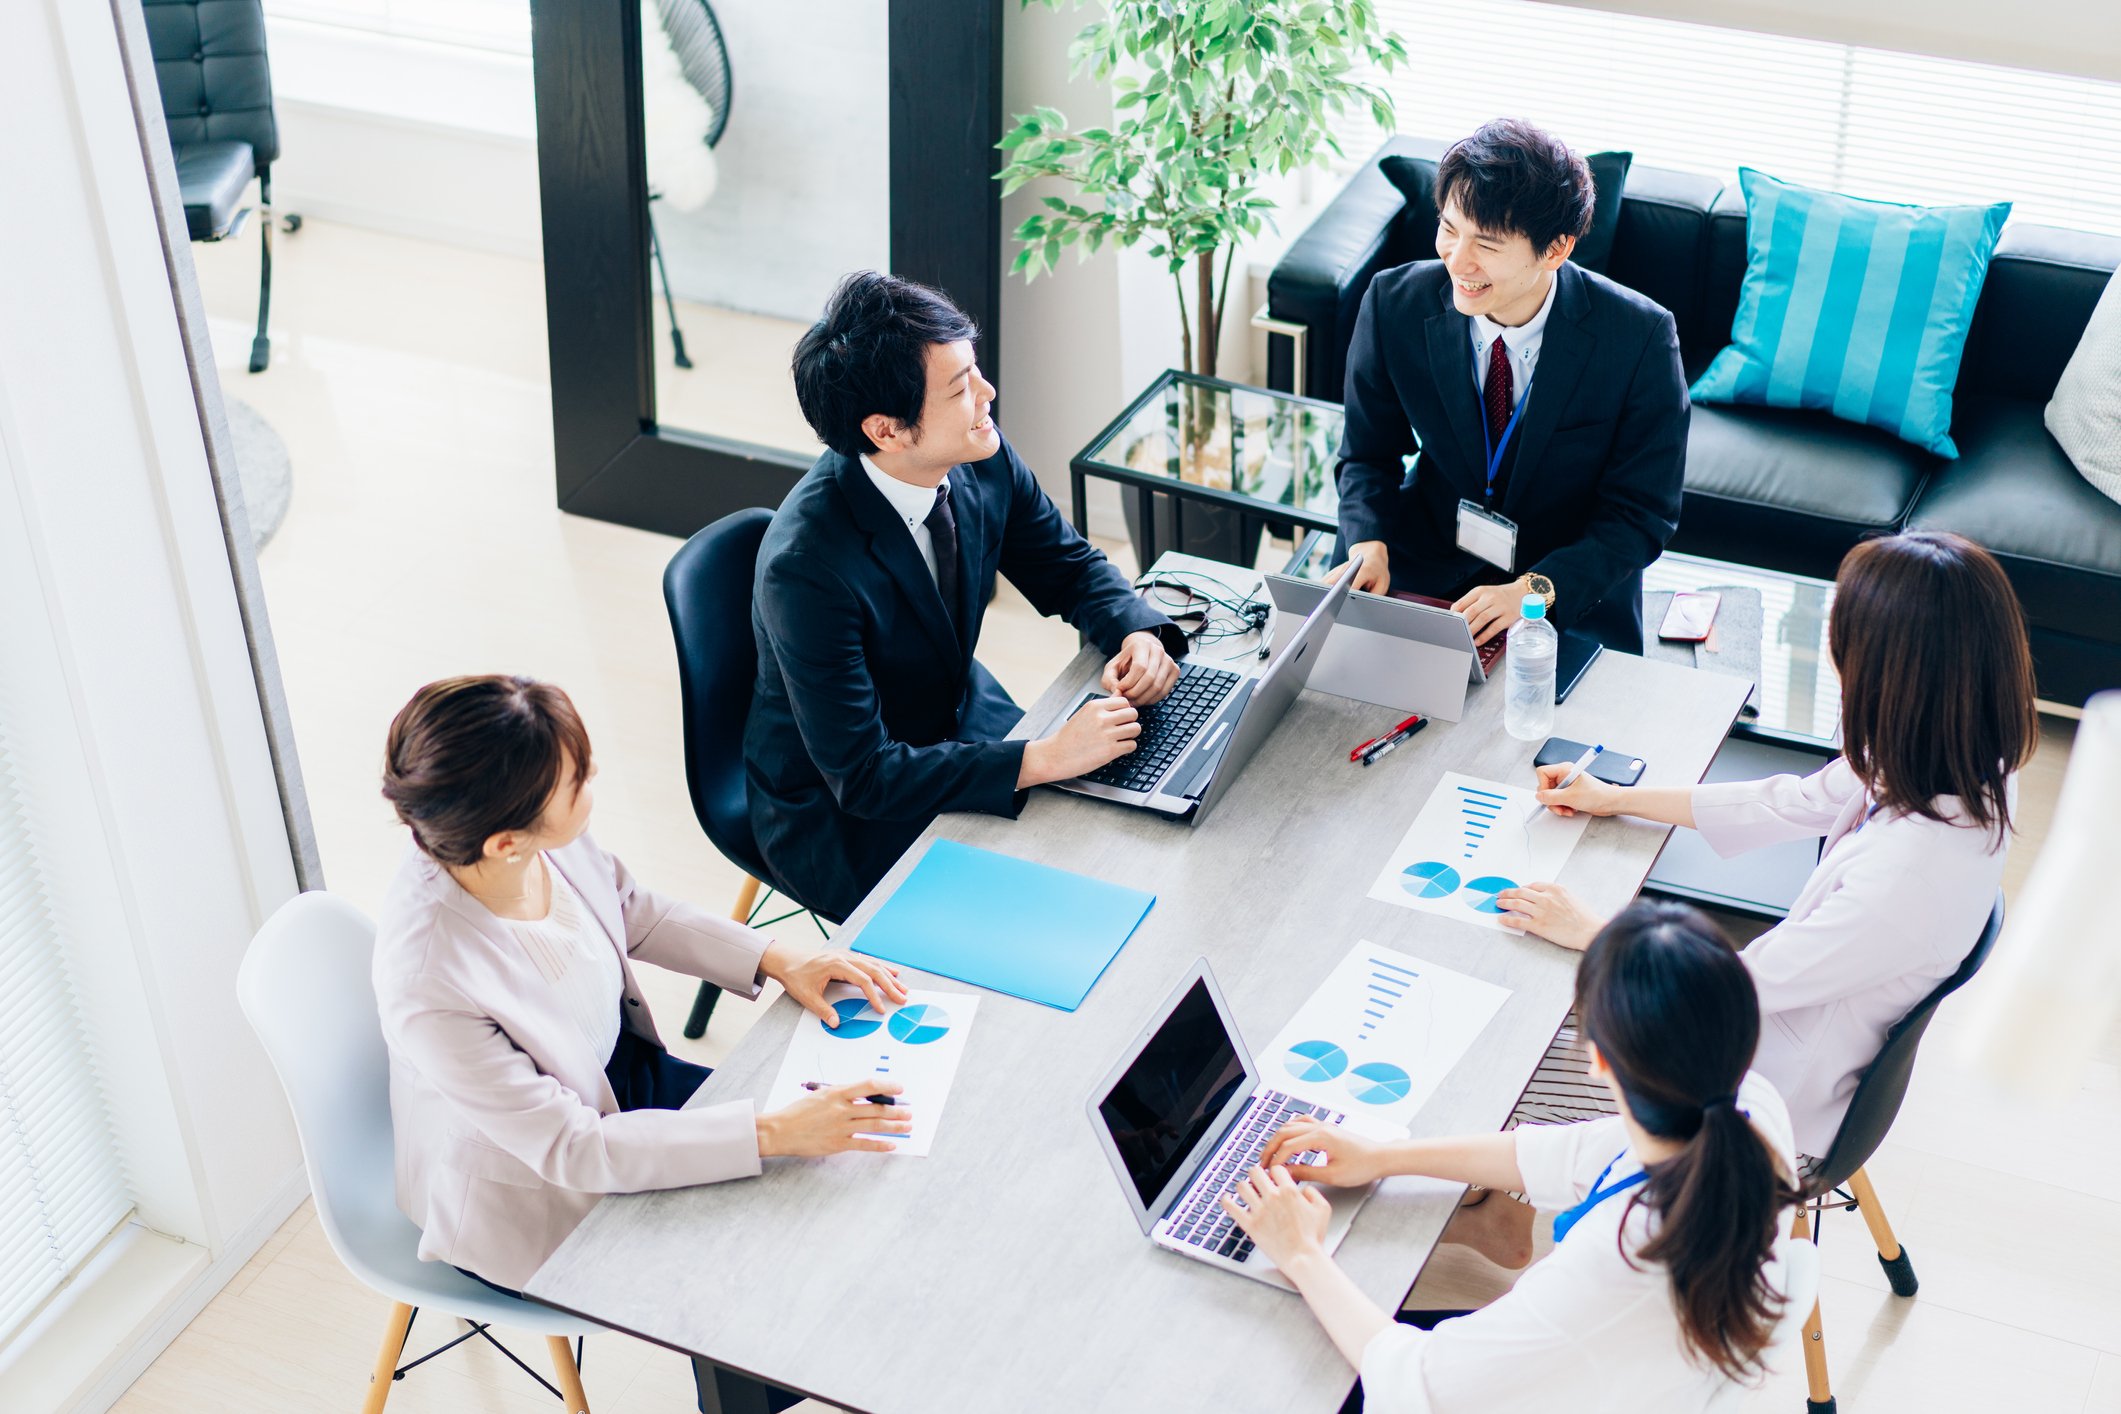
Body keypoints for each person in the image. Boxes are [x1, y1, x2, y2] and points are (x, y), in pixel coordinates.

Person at [1497, 531, 2039, 1159]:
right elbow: (1795, 801)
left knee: (1536, 1023)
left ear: (1890, 678)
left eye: (1844, 647)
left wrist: (1594, 929)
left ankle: (1506, 1203)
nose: (1836, 665)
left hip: (1771, 1100)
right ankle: (1504, 1200)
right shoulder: (1965, 755)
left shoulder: (1907, 879)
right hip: (1798, 1021)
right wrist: (1615, 798)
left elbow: (1735, 987)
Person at [373, 674, 913, 1297]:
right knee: (765, 1266)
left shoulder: (528, 837)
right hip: (542, 1189)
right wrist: (773, 1133)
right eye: (578, 782)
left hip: (621, 1077)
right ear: (506, 841)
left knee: (834, 1169)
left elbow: (629, 906)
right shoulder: (428, 981)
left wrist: (776, 957)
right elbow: (573, 1150)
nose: (592, 778)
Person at [1223, 902, 1805, 1412]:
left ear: (1597, 1059)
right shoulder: (1746, 1106)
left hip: (1573, 1382)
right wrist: (1383, 1156)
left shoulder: (1614, 1268)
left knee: (1274, 1367)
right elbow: (1556, 1155)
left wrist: (1302, 1254)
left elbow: (1415, 1387)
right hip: (1630, 1375)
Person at [746, 270, 1189, 920]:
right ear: (887, 431)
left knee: (1121, 838)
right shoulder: (806, 568)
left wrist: (1134, 631)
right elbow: (863, 775)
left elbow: (1065, 566)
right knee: (1048, 903)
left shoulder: (979, 453)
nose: (987, 393)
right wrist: (1040, 758)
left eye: (974, 370)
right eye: (959, 389)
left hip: (954, 719)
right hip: (843, 810)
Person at [1329, 118, 1688, 653]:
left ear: (1556, 249)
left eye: (1487, 244)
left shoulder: (1640, 339)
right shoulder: (1392, 304)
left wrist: (1531, 592)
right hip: (1425, 560)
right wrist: (1369, 541)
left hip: (1562, 584)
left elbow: (1639, 517)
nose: (1457, 260)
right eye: (1449, 229)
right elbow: (1367, 455)